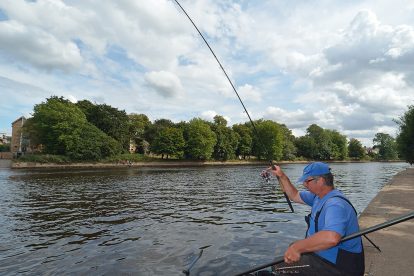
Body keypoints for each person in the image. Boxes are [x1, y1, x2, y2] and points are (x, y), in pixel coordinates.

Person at [268, 162, 364, 276]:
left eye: (307, 181)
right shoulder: (318, 197)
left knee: (278, 268)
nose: (304, 184)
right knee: (287, 253)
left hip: (340, 267)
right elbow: (294, 195)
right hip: (324, 256)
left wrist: (297, 247)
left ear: (320, 180)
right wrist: (282, 176)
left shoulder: (335, 204)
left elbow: (332, 238)